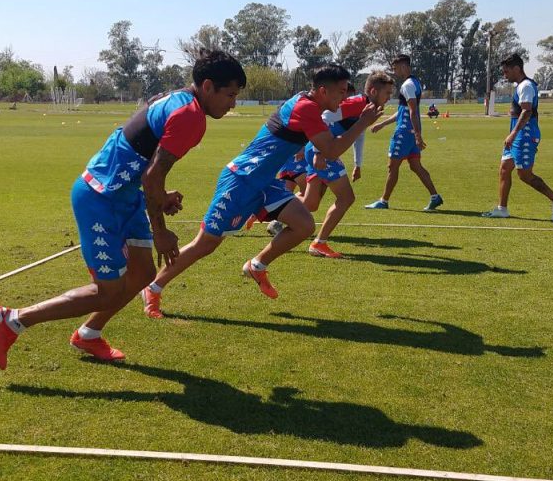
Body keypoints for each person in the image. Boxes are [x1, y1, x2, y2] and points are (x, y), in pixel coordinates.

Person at [0, 50, 246, 369]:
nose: (232, 104)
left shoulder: (175, 99)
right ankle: (13, 320)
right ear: (208, 86)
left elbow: (145, 165)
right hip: (100, 198)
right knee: (107, 292)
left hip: (125, 196)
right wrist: (161, 231)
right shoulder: (190, 116)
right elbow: (152, 174)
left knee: (143, 273)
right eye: (230, 95)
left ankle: (89, 333)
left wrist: (160, 195)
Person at [141, 63, 381, 317]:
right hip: (241, 179)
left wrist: (371, 99)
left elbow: (344, 107)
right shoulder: (306, 108)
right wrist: (362, 122)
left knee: (304, 225)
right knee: (205, 244)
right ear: (323, 91)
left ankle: (257, 265)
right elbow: (331, 150)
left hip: (265, 182)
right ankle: (153, 288)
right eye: (341, 91)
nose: (345, 97)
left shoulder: (313, 102)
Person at [300, 71, 395, 257]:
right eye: (387, 93)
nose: (390, 98)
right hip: (324, 151)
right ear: (374, 91)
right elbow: (325, 116)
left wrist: (357, 163)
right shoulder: (359, 103)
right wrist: (320, 152)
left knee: (311, 203)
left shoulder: (369, 107)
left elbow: (358, 134)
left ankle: (269, 206)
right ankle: (319, 243)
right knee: (346, 198)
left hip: (322, 150)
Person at [482, 53, 553, 221]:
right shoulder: (521, 86)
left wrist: (514, 134)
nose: (505, 75)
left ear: (516, 69)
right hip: (517, 134)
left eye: (506, 72)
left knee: (524, 175)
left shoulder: (526, 86)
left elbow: (527, 111)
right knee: (505, 169)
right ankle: (502, 208)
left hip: (525, 135)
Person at [364, 54, 443, 211]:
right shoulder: (415, 82)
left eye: (395, 67)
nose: (394, 71)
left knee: (392, 167)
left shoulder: (407, 85)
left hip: (404, 133)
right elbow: (404, 111)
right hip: (410, 132)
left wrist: (417, 135)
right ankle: (435, 196)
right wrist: (383, 124)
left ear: (403, 66)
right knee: (415, 166)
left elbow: (413, 111)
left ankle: (383, 201)